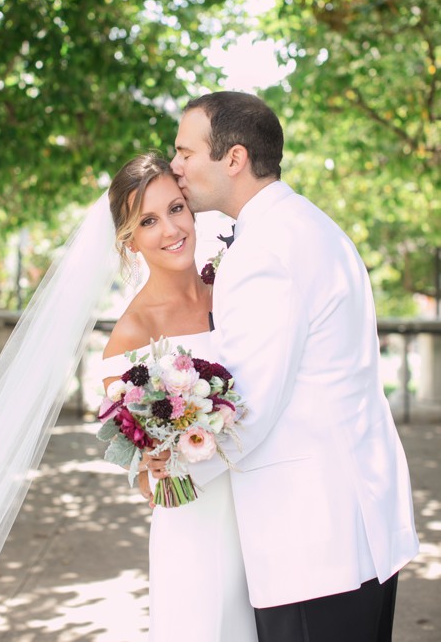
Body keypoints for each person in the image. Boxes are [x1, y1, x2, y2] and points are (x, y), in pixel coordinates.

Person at [168, 90, 418, 642]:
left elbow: (248, 405)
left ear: (233, 158)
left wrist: (173, 480)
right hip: (359, 524)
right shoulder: (312, 225)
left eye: (185, 152)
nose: (175, 166)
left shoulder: (264, 251)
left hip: (312, 540)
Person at [100, 152, 258, 641]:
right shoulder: (133, 334)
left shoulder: (235, 289)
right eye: (149, 220)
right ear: (130, 241)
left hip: (266, 511)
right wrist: (153, 465)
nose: (171, 229)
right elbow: (143, 468)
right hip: (197, 530)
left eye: (175, 209)